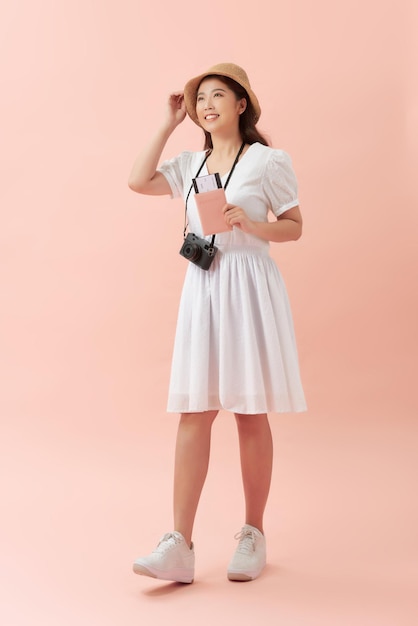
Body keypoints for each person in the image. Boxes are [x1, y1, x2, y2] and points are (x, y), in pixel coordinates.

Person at [128, 63, 307, 584]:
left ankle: (253, 532)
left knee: (250, 413)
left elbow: (296, 226)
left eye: (217, 95)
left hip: (249, 288)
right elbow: (138, 180)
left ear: (241, 105)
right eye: (199, 98)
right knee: (194, 411)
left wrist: (250, 224)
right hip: (203, 289)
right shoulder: (189, 163)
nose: (206, 105)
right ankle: (179, 544)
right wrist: (167, 123)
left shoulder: (269, 161)